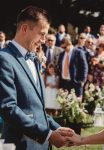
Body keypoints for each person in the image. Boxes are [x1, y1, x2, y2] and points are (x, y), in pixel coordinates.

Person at [0, 6, 74, 150]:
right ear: (25, 29)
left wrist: (56, 128)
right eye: (42, 34)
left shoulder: (34, 58)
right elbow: (8, 109)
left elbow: (36, 108)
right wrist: (47, 135)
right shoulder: (4, 59)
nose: (44, 40)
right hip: (20, 144)